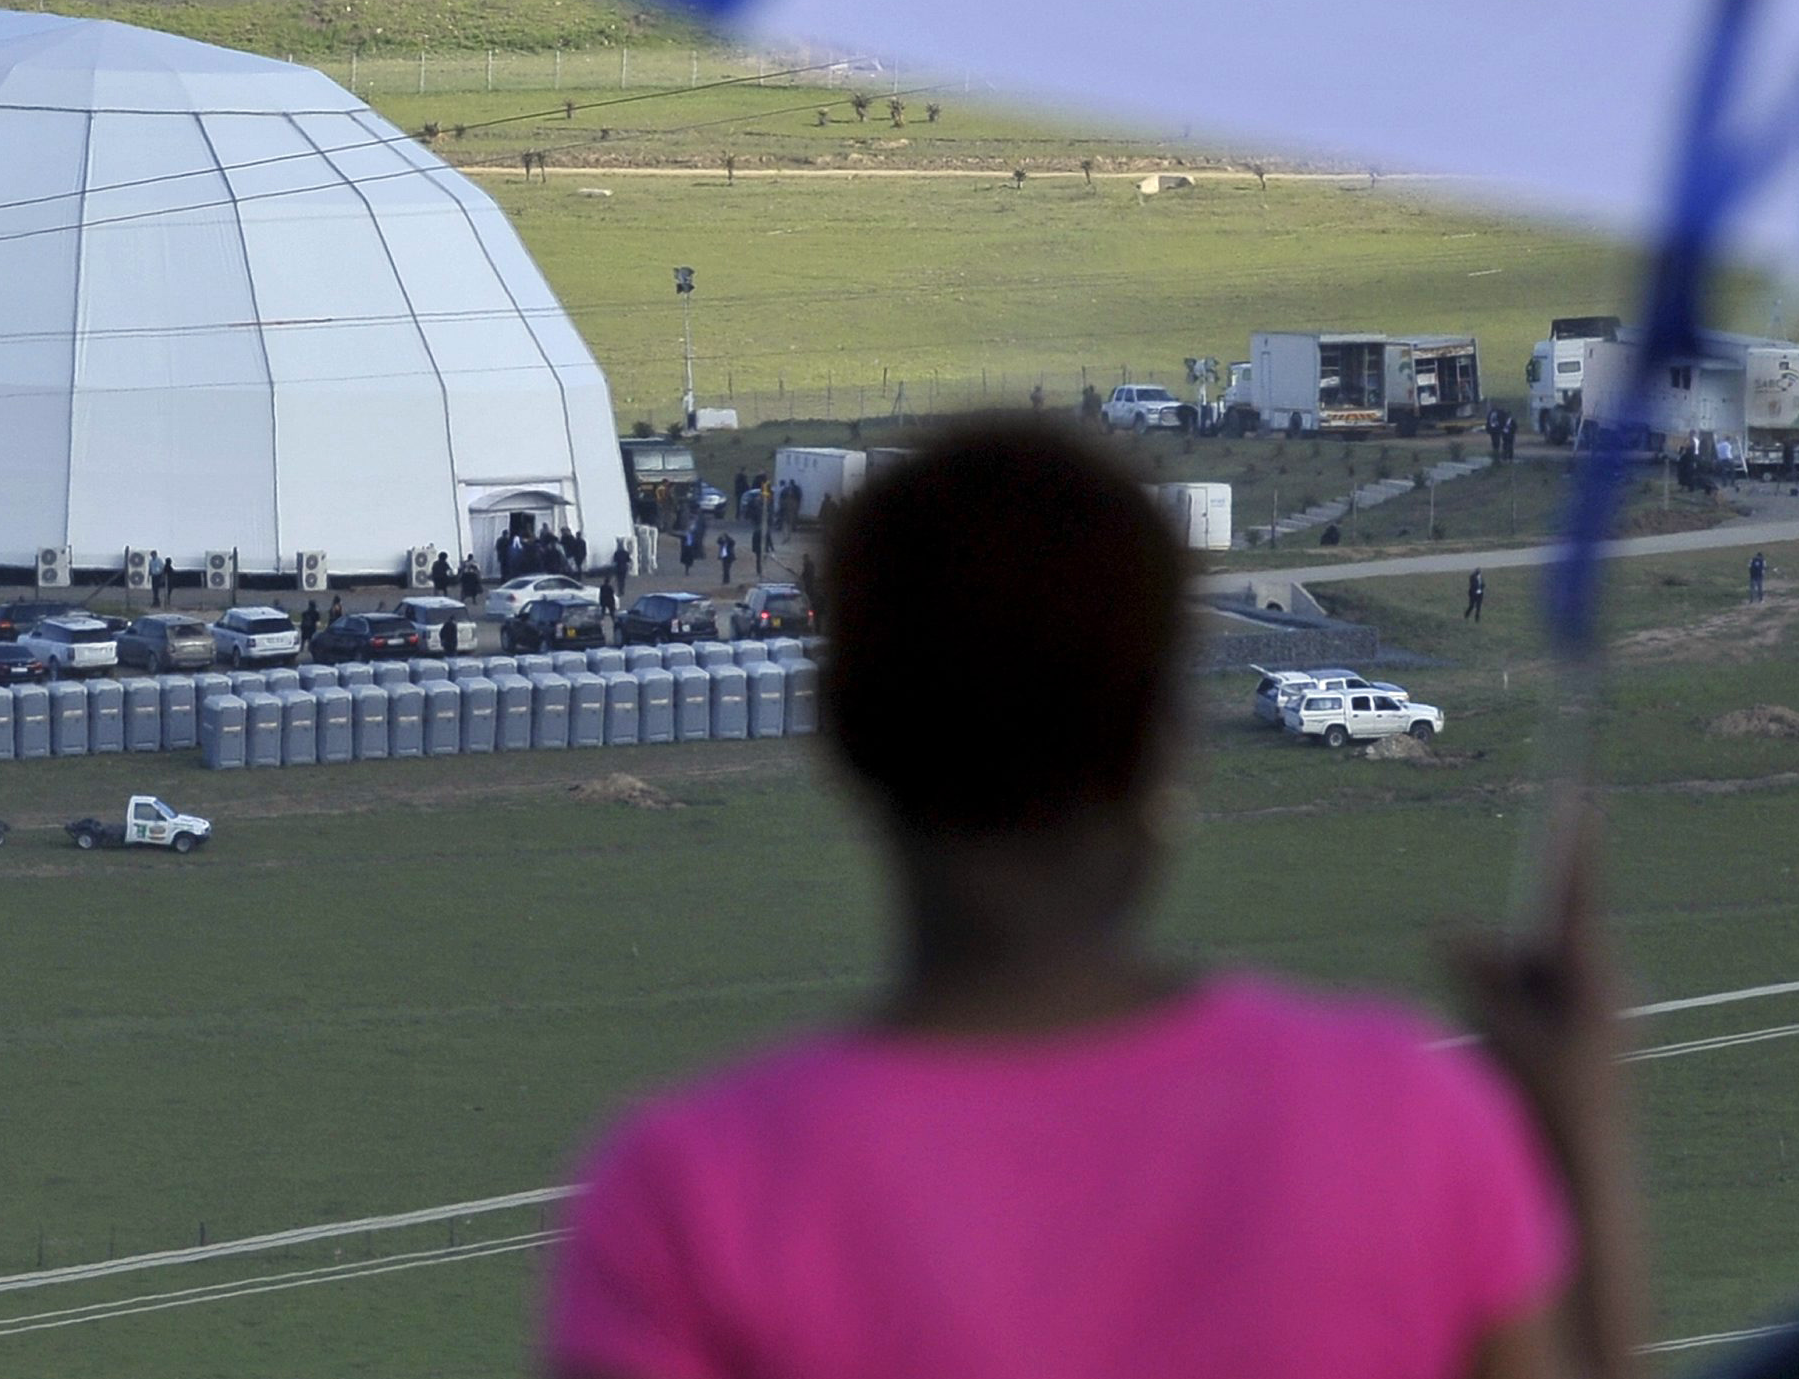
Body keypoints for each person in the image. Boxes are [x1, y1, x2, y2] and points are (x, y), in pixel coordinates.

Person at [545, 420, 1633, 1379]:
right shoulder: (1405, 1121)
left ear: (839, 727)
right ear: (1166, 727)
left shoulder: (691, 1198)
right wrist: (1574, 1123)